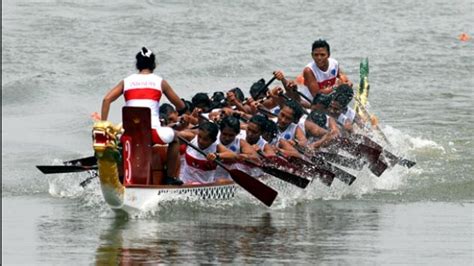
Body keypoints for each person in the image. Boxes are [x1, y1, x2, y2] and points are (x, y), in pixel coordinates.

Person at [100, 47, 186, 185]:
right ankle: (170, 177)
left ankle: (119, 177)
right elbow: (180, 106)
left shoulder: (126, 81)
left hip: (128, 134)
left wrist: (103, 124)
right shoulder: (160, 82)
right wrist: (183, 111)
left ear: (137, 65)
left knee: (117, 141)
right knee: (175, 139)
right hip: (151, 133)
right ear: (153, 65)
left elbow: (106, 100)